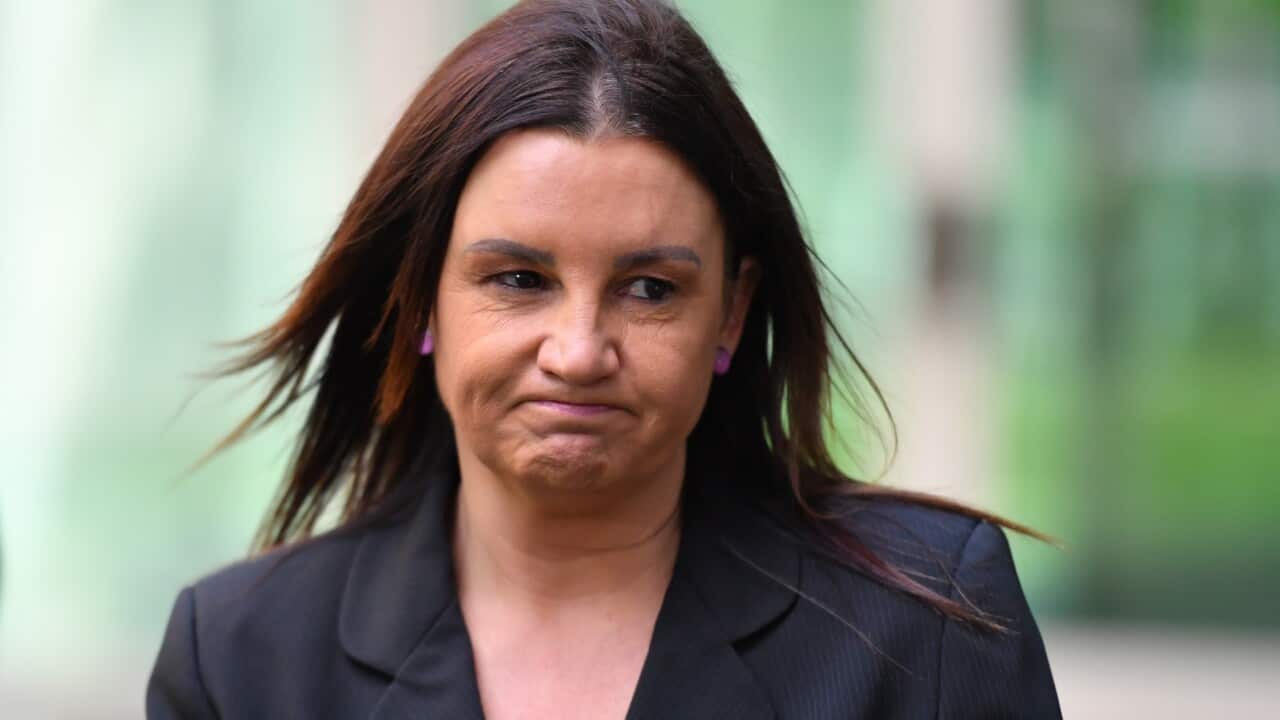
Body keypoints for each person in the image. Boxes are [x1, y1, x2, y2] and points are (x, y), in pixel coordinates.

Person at [147, 0, 1061, 717]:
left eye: (650, 288)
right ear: (422, 296)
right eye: (517, 278)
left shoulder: (924, 626)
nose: (579, 351)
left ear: (731, 314)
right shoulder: (239, 658)